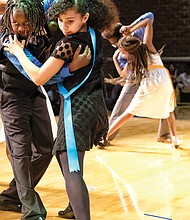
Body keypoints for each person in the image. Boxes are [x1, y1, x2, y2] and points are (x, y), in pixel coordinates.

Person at [4, 0, 119, 219]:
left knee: (70, 165)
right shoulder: (93, 34)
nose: (64, 26)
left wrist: (18, 51)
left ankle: (80, 215)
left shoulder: (67, 45)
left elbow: (38, 77)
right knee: (65, 157)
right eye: (60, 20)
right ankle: (72, 207)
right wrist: (72, 68)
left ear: (84, 17)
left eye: (70, 21)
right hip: (96, 106)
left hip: (77, 109)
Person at [102, 17, 180, 149]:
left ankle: (105, 137)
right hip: (164, 79)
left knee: (128, 113)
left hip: (150, 82)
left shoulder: (133, 59)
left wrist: (115, 58)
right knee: (169, 110)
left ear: (128, 51)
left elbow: (122, 74)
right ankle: (174, 138)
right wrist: (131, 28)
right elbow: (149, 20)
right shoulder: (147, 45)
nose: (121, 54)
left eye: (122, 52)